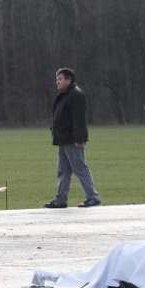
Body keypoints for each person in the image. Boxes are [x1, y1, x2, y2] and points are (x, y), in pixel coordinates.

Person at [44, 68, 101, 209]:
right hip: (63, 139)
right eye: (56, 79)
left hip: (72, 139)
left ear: (69, 80)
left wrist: (80, 139)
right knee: (63, 170)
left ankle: (93, 197)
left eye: (60, 79)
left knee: (80, 168)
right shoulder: (64, 95)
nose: (57, 82)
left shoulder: (76, 95)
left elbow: (79, 119)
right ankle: (60, 199)